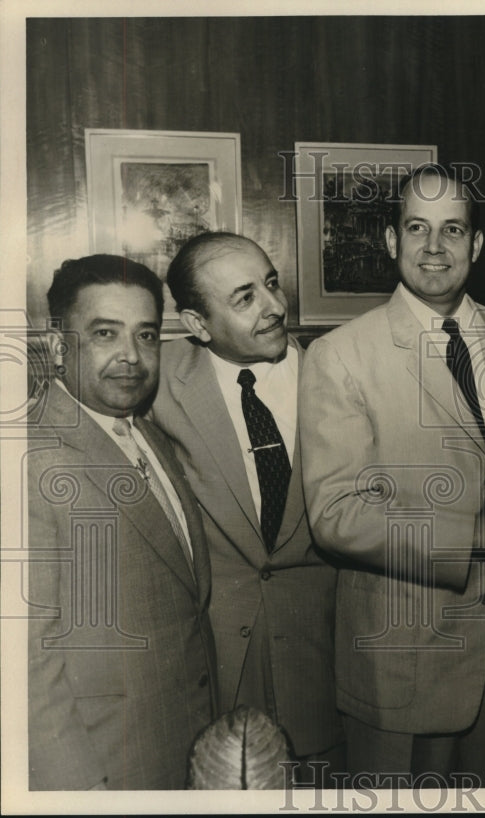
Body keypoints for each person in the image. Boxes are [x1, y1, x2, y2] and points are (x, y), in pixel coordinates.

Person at [300, 164, 485, 784]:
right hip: (403, 666)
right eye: (417, 228)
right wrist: (470, 537)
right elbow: (335, 515)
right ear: (391, 241)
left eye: (453, 230)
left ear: (477, 244)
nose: (435, 248)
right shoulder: (341, 355)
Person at [148, 233, 343, 779]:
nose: (275, 307)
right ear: (197, 325)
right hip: (217, 664)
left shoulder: (336, 371)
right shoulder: (158, 383)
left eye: (271, 283)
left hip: (324, 658)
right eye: (245, 297)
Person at [26, 255, 217, 789]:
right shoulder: (28, 459)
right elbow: (24, 667)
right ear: (60, 345)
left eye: (147, 335)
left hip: (180, 751)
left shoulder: (147, 434)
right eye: (105, 333)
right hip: (106, 771)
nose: (131, 356)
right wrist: (79, 793)